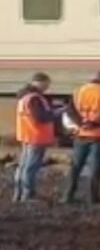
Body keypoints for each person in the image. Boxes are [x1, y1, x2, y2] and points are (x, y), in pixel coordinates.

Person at [62, 70, 100, 205]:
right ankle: (92, 197)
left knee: (75, 166)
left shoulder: (79, 91)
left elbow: (70, 110)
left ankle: (67, 196)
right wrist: (94, 123)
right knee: (95, 167)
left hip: (81, 134)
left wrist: (81, 123)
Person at [12, 72, 57, 202]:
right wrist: (56, 113)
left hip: (27, 135)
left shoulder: (24, 97)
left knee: (23, 166)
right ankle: (28, 194)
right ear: (40, 82)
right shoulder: (34, 98)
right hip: (36, 136)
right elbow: (41, 117)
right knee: (31, 167)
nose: (48, 87)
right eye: (47, 84)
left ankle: (18, 194)